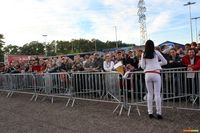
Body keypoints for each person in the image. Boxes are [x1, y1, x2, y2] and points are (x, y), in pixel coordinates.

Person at [141, 40, 167, 119]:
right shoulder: (156, 52)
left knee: (150, 93)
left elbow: (142, 66)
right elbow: (165, 62)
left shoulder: (143, 53)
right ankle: (159, 113)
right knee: (157, 94)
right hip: (156, 73)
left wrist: (151, 65)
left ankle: (150, 112)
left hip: (148, 74)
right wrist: (157, 64)